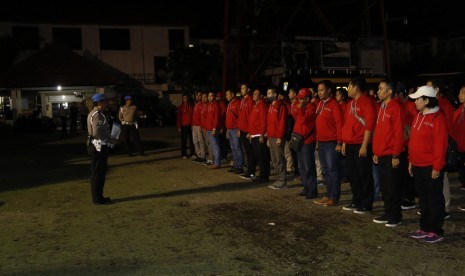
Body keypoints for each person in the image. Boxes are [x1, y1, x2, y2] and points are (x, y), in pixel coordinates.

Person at [408, 85, 448, 243]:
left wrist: (437, 167)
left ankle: (436, 230)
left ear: (426, 100)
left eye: (418, 99)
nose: (415, 102)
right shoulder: (418, 116)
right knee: (423, 199)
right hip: (417, 165)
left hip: (431, 166)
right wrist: (411, 161)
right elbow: (413, 142)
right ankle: (424, 227)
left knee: (434, 199)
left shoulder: (438, 118)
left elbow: (441, 145)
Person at [372, 79, 405, 227]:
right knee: (385, 187)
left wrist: (396, 155)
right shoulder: (382, 107)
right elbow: (379, 132)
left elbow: (398, 133)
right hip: (381, 154)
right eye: (378, 89)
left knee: (392, 187)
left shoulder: (395, 108)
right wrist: (376, 152)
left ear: (389, 91)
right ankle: (388, 211)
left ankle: (395, 216)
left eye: (381, 89)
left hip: (391, 154)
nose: (378, 91)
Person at [341, 76, 377, 214]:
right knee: (353, 174)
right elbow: (347, 124)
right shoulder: (351, 103)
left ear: (356, 87)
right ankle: (357, 200)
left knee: (364, 174)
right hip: (350, 143)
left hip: (361, 144)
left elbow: (369, 125)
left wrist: (364, 145)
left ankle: (367, 204)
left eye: (349, 86)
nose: (347, 89)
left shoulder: (367, 102)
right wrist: (344, 141)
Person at [313, 80, 344, 206]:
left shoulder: (334, 105)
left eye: (321, 90)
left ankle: (334, 197)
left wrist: (339, 142)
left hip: (331, 143)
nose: (319, 92)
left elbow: (339, 124)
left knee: (332, 170)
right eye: (318, 90)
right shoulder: (320, 104)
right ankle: (328, 194)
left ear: (329, 90)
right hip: (321, 142)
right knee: (325, 170)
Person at [87, 93, 119, 205]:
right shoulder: (97, 114)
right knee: (98, 174)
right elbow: (96, 133)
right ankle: (98, 199)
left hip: (96, 145)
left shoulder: (95, 113)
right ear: (100, 103)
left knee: (98, 173)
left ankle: (98, 197)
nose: (107, 104)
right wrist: (110, 140)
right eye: (105, 102)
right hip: (98, 146)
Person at [293, 88, 318, 199]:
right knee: (301, 166)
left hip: (307, 140)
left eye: (301, 99)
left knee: (308, 166)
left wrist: (300, 109)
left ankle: (312, 190)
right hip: (300, 139)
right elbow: (295, 116)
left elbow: (303, 119)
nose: (299, 101)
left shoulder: (311, 107)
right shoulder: (303, 108)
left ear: (307, 98)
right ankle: (306, 187)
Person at [266, 86, 288, 189]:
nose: (268, 96)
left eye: (269, 93)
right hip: (271, 137)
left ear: (275, 94)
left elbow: (282, 123)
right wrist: (268, 137)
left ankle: (283, 181)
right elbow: (269, 123)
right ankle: (278, 179)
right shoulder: (270, 106)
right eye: (267, 94)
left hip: (278, 137)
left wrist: (280, 136)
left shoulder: (281, 106)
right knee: (274, 160)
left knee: (280, 159)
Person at [247, 87, 270, 183]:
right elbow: (252, 120)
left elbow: (264, 120)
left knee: (262, 156)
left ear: (261, 96)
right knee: (257, 156)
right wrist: (250, 133)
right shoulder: (255, 105)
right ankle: (261, 175)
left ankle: (264, 176)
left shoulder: (262, 105)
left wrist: (262, 134)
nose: (254, 95)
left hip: (259, 134)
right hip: (254, 135)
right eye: (253, 94)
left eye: (256, 94)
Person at [237, 83, 256, 180]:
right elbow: (241, 116)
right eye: (241, 88)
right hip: (243, 129)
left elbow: (250, 117)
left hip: (248, 131)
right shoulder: (243, 100)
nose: (241, 90)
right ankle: (248, 170)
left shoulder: (250, 101)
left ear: (248, 90)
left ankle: (252, 172)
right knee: (247, 151)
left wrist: (249, 131)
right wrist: (240, 129)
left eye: (243, 88)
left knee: (250, 152)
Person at [451, 85, 465, 210]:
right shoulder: (458, 110)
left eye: (463, 93)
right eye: (459, 93)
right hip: (460, 148)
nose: (460, 95)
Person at [225, 89, 244, 174]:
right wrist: (227, 130)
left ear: (232, 94)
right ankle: (236, 165)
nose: (226, 96)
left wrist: (239, 129)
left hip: (235, 129)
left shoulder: (237, 103)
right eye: (226, 95)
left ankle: (240, 166)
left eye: (228, 94)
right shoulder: (229, 104)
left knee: (237, 148)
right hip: (229, 129)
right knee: (233, 148)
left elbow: (240, 117)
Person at [205, 91, 222, 169]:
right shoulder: (208, 105)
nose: (209, 97)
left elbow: (216, 118)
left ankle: (217, 163)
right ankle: (216, 161)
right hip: (208, 129)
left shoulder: (216, 105)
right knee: (213, 146)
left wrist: (214, 128)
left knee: (215, 146)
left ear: (214, 97)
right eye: (209, 96)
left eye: (211, 96)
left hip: (213, 129)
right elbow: (207, 117)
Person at [177, 93, 195, 159]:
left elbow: (193, 116)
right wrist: (179, 126)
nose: (185, 99)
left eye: (186, 98)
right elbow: (178, 117)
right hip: (183, 126)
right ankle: (184, 154)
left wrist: (193, 124)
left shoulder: (192, 106)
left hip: (191, 126)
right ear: (182, 99)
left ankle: (192, 153)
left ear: (188, 98)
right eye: (184, 98)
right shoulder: (180, 107)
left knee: (192, 140)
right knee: (183, 140)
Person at [192, 91, 207, 163]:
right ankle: (198, 154)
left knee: (201, 141)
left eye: (199, 95)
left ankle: (202, 156)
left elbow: (202, 117)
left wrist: (201, 125)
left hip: (199, 126)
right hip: (194, 125)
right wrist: (192, 124)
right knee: (195, 141)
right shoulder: (197, 104)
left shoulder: (202, 105)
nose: (198, 96)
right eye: (197, 95)